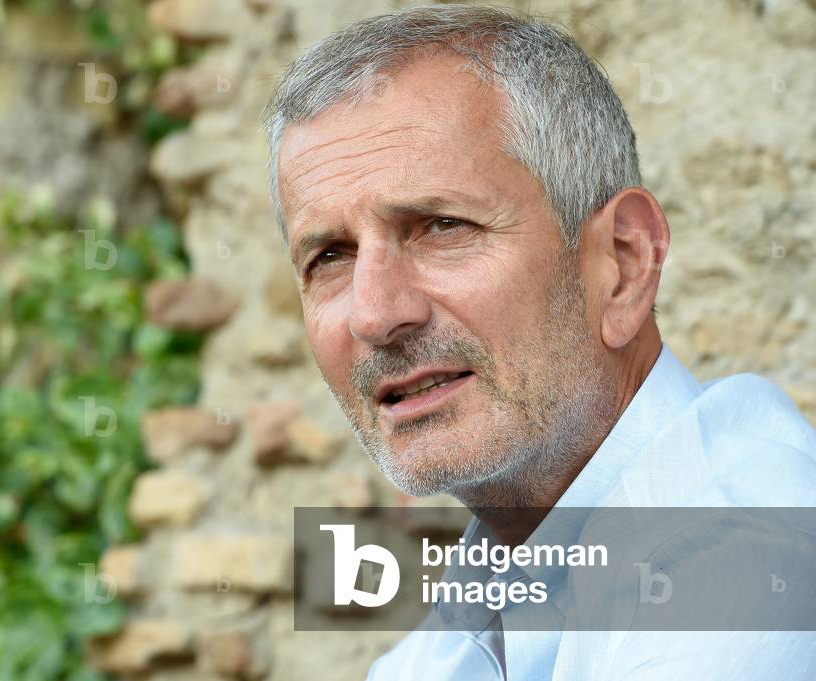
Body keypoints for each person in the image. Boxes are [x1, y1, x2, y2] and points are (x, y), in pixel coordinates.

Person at [263, 4, 816, 679]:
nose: (374, 314)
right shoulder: (437, 651)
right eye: (328, 257)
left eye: (441, 226)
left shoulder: (752, 560)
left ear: (623, 262)